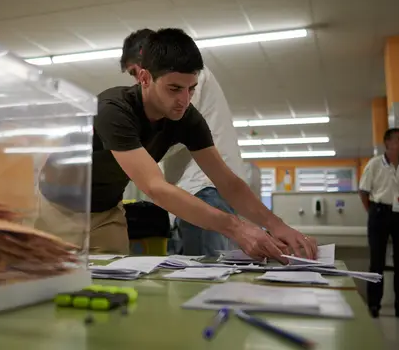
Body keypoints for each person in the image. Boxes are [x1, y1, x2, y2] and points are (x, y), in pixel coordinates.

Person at [85, 27, 315, 260]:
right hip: (58, 207)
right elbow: (155, 187)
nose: (184, 101)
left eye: (191, 89)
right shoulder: (113, 110)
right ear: (144, 78)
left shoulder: (186, 118)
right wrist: (236, 228)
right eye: (174, 89)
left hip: (107, 212)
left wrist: (277, 225)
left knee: (110, 281)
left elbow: (227, 182)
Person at [119, 28, 246, 256]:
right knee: (187, 271)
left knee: (204, 274)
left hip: (204, 187)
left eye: (134, 71)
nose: (137, 80)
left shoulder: (184, 79)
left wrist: (124, 147)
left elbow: (166, 128)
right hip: (191, 188)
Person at [359, 127, 399, 320]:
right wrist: (374, 212)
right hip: (379, 211)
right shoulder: (375, 164)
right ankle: (374, 304)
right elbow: (363, 191)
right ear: (388, 143)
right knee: (377, 261)